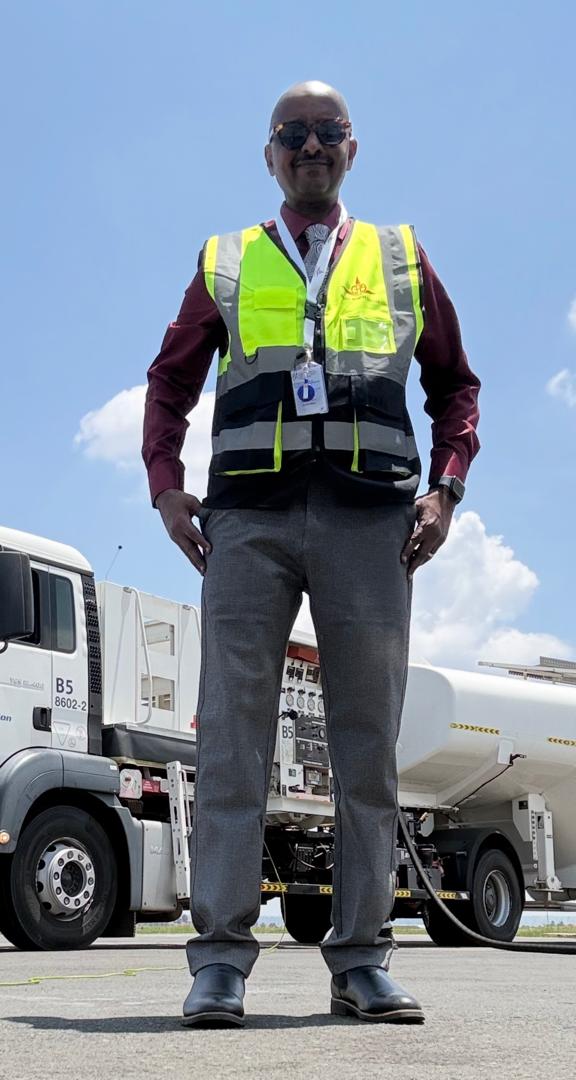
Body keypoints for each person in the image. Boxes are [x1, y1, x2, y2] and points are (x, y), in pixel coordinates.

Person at [142, 80, 480, 1027]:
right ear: (269, 155)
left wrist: (445, 490)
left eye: (327, 132)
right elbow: (168, 383)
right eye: (293, 134)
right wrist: (167, 487)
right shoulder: (226, 260)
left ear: (352, 149)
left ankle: (362, 960)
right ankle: (217, 963)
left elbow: (457, 387)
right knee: (235, 742)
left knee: (368, 750)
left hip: (374, 527)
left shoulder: (401, 258)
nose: (310, 146)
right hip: (245, 526)